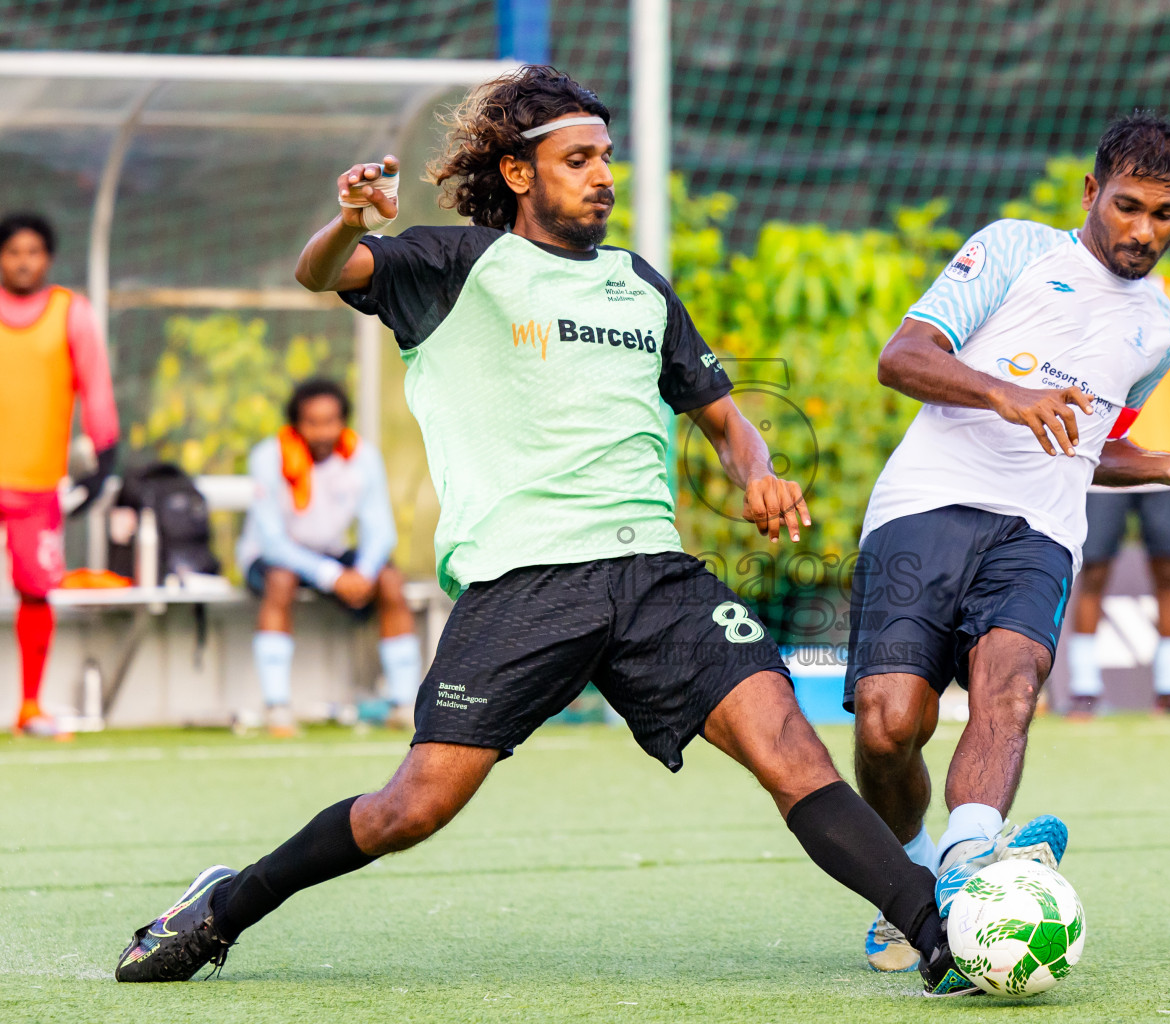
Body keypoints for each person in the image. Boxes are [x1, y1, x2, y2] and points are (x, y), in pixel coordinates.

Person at [115, 66, 963, 995]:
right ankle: (219, 909)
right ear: (521, 174)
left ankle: (937, 933)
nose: (602, 174)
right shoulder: (454, 265)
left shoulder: (640, 287)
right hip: (525, 582)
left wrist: (758, 471)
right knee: (413, 808)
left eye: (606, 155)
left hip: (654, 576)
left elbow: (722, 415)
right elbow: (320, 272)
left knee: (790, 750)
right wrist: (355, 222)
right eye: (577, 158)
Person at [845, 113, 1170, 974]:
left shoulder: (1160, 329)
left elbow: (1089, 445)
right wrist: (1003, 394)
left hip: (1042, 529)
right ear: (1091, 192)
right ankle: (924, 876)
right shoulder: (1013, 250)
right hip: (925, 504)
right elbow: (902, 357)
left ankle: (970, 881)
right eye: (1127, 206)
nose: (1143, 231)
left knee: (1008, 686)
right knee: (890, 726)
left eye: (1165, 214)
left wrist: (1167, 464)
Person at [235, 378, 418, 735]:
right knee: (281, 579)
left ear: (343, 421)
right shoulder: (267, 457)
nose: (322, 431)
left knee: (391, 580)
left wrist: (362, 573)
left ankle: (404, 704)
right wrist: (333, 577)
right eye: (312, 422)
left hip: (331, 555)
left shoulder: (363, 457)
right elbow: (272, 543)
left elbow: (381, 531)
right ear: (296, 424)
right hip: (273, 558)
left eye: (331, 420)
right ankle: (277, 708)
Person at [1066, 271, 1170, 717]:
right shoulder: (1083, 285)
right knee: (1092, 574)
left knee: (1167, 574)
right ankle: (1084, 693)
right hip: (1099, 462)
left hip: (1163, 464)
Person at [0, 213, 118, 738]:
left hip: (36, 486)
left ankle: (29, 706)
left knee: (35, 591)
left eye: (33, 251)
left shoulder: (71, 313)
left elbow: (94, 385)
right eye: (12, 251)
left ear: (47, 258)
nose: (23, 261)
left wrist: (104, 456)